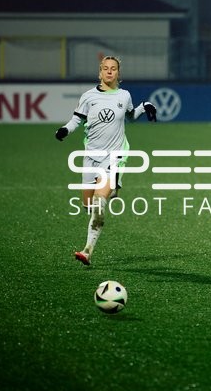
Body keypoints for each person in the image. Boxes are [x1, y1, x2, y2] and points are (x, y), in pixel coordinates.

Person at [55, 56, 157, 265]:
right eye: (105, 69)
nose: (109, 72)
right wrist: (65, 129)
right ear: (99, 73)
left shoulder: (124, 95)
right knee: (88, 205)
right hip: (91, 156)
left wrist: (144, 106)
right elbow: (76, 119)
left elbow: (130, 116)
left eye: (113, 69)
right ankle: (108, 194)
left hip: (115, 156)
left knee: (99, 202)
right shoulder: (88, 97)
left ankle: (87, 250)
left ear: (119, 73)